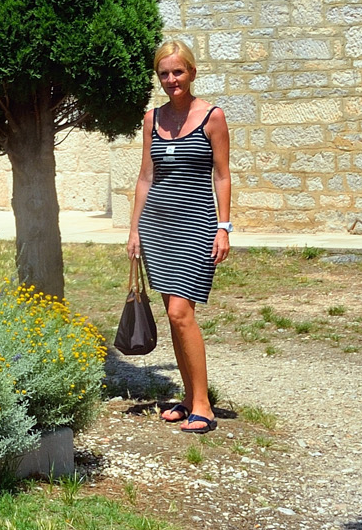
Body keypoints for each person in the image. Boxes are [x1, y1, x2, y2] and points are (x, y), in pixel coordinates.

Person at [126, 40, 232, 434]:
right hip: (157, 227)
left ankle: (203, 403)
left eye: (178, 72)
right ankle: (189, 398)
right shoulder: (152, 119)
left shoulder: (213, 117)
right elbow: (145, 177)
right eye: (164, 74)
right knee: (175, 315)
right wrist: (135, 229)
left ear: (192, 71)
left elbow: (222, 175)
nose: (172, 80)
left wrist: (224, 227)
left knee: (180, 313)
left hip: (197, 226)